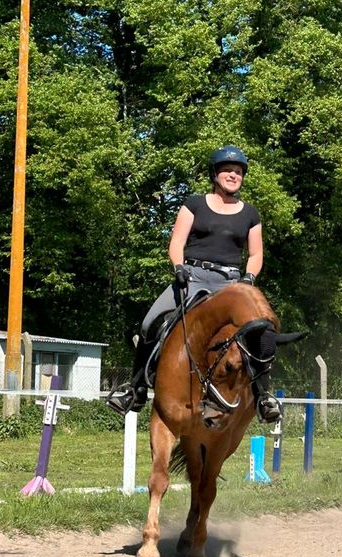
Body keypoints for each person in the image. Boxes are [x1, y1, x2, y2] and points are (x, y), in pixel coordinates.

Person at [106, 145, 281, 421]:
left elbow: (256, 254)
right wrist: (178, 267)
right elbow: (176, 241)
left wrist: (249, 278)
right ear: (215, 174)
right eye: (227, 171)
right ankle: (136, 388)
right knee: (150, 322)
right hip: (193, 276)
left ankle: (264, 397)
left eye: (237, 172)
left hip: (232, 283)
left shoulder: (250, 213)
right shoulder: (194, 204)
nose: (233, 176)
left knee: (261, 330)